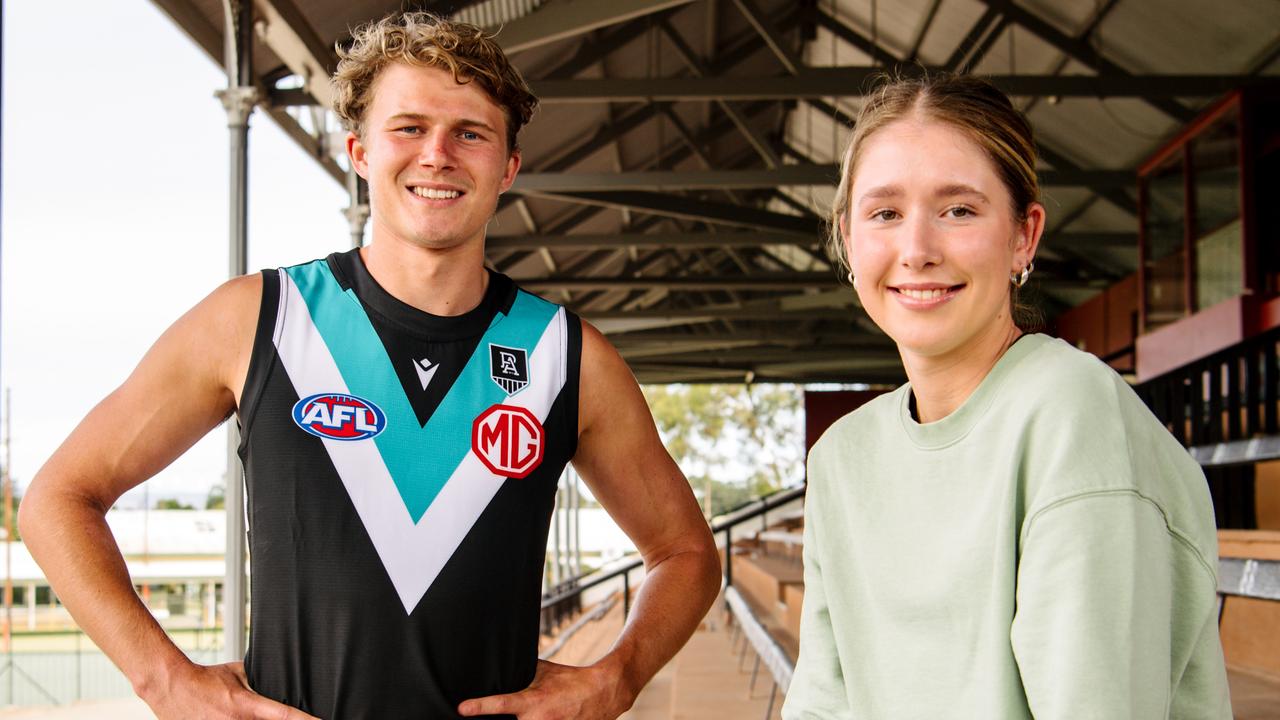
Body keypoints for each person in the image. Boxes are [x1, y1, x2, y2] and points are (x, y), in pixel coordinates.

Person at [19, 12, 720, 720]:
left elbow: (686, 553)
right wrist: (164, 680)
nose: (438, 155)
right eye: (409, 127)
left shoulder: (566, 356)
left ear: (508, 166)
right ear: (359, 151)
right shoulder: (258, 318)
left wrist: (618, 677)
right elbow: (58, 500)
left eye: (470, 133)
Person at [782, 73, 1231, 719]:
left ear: (1024, 236)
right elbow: (822, 703)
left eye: (958, 209)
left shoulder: (1070, 415)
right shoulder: (841, 458)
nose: (917, 250)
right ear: (850, 241)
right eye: (885, 213)